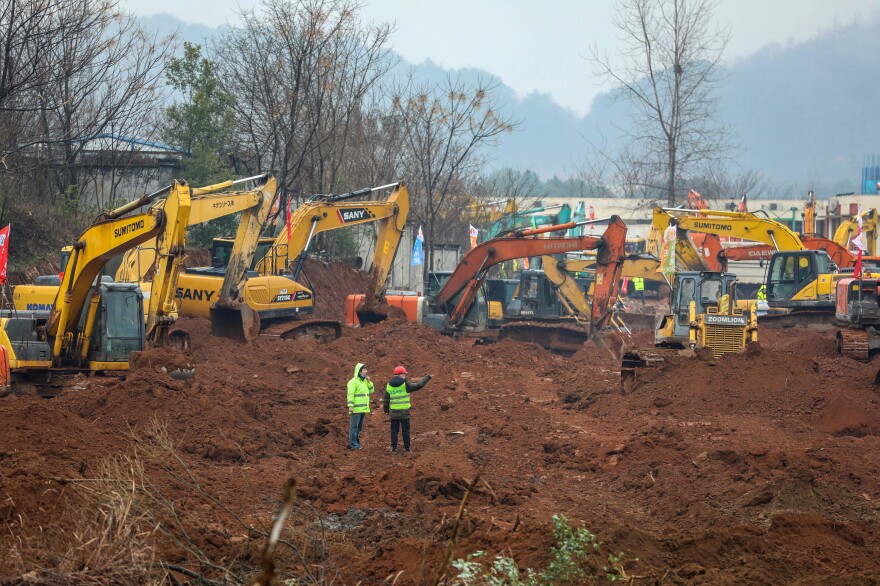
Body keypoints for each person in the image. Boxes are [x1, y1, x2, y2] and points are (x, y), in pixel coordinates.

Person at [383, 365, 432, 453]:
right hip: (405, 413)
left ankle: (394, 448)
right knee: (406, 431)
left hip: (394, 413)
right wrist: (427, 378)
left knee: (394, 431)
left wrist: (386, 410)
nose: (405, 375)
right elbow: (418, 385)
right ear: (400, 374)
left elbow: (386, 399)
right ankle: (407, 448)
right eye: (404, 374)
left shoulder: (389, 385)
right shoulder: (405, 384)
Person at [347, 363, 374, 450]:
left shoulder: (365, 381)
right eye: (364, 370)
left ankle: (356, 443)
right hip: (356, 409)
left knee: (359, 427)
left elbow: (372, 390)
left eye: (366, 370)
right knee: (354, 427)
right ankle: (353, 445)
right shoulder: (353, 382)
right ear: (359, 372)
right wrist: (350, 406)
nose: (366, 371)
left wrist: (369, 382)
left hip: (362, 409)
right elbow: (350, 394)